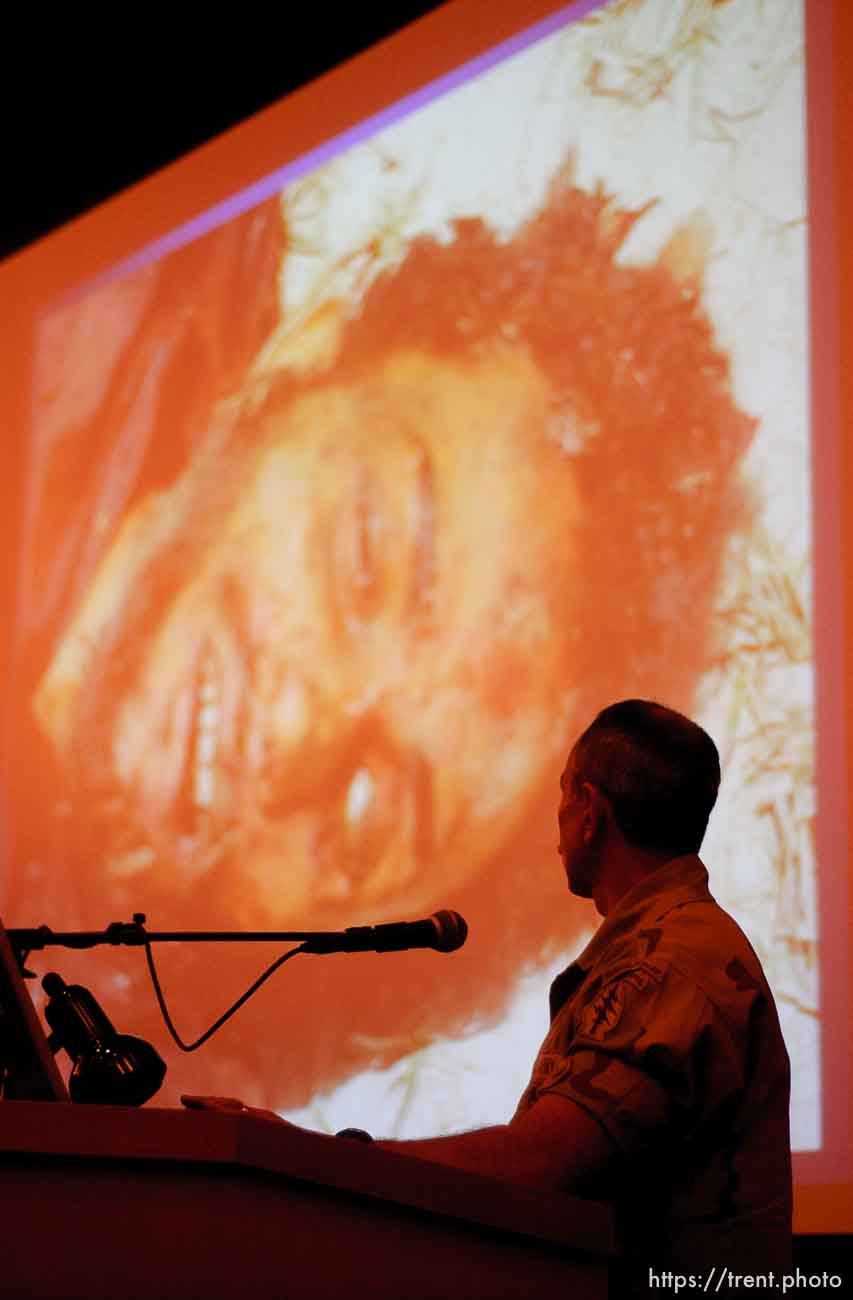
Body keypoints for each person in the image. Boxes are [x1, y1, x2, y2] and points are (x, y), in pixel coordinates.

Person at [18, 164, 756, 1110]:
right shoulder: (97, 297)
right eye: (365, 561)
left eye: (373, 808)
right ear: (303, 358)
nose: (298, 740)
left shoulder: (131, 1091)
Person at [189, 699, 793, 1290]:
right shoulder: (673, 945)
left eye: (561, 793)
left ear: (589, 811)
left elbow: (547, 1162)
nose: (555, 827)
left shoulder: (668, 963)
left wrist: (325, 1156)